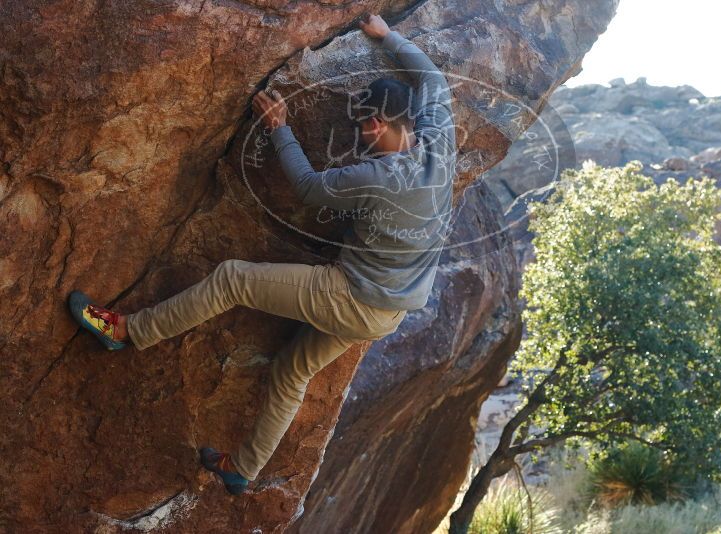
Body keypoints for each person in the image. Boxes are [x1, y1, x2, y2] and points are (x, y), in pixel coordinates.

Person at [68, 12, 455, 496]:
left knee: (233, 278)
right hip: (389, 311)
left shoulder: (378, 177)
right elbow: (434, 79)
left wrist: (279, 128)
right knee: (293, 369)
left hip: (353, 297)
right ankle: (242, 469)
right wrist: (388, 36)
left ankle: (127, 332)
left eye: (361, 129)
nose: (358, 139)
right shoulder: (441, 142)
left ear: (376, 124)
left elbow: (311, 189)